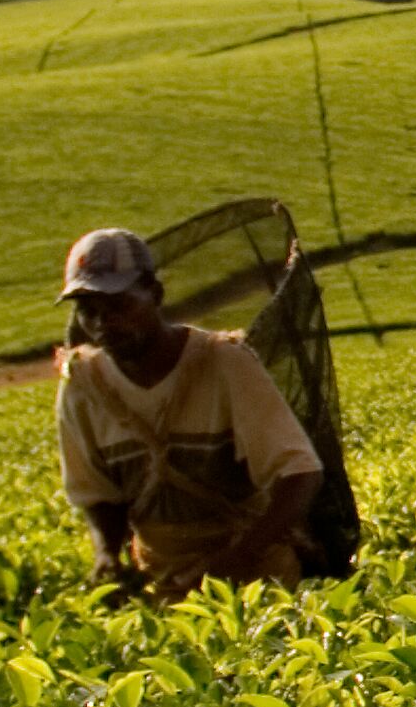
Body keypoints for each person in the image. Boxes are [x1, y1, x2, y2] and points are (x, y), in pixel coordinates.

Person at [54, 225, 323, 597]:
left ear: (155, 294)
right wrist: (107, 555)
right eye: (88, 310)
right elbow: (98, 495)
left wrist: (235, 559)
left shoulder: (223, 363)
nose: (103, 323)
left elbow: (300, 473)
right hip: (164, 582)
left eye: (118, 305)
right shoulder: (83, 386)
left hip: (256, 582)